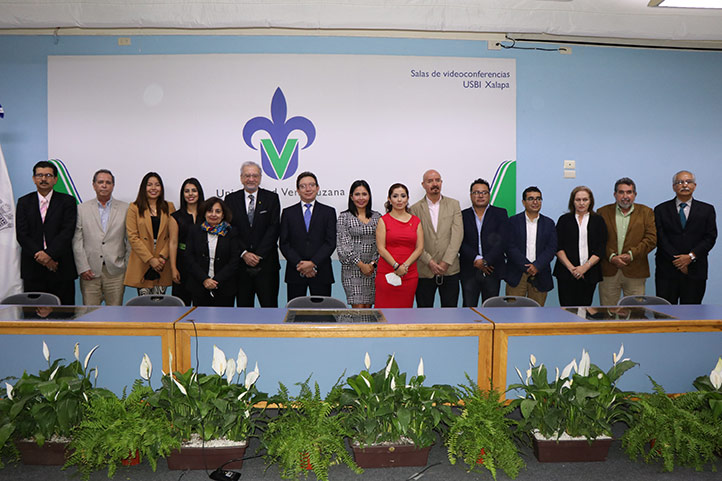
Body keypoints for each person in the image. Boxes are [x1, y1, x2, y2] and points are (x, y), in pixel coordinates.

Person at [16, 160, 77, 305]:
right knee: (33, 316)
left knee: (64, 316)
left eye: (48, 175)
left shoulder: (67, 201)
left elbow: (67, 232)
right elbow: (22, 234)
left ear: (55, 179)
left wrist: (50, 254)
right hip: (33, 268)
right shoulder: (24, 202)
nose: (43, 179)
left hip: (60, 267)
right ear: (33, 178)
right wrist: (42, 257)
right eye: (39, 175)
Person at [654, 170, 717, 304]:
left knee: (692, 313)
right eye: (680, 182)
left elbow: (710, 237)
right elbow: (660, 237)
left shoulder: (707, 209)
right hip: (667, 271)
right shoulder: (660, 209)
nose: (684, 185)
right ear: (673, 187)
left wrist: (690, 257)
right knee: (665, 313)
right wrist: (678, 260)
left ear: (695, 186)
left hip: (695, 270)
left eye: (688, 182)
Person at [225, 161, 281, 307]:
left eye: (255, 175)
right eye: (247, 175)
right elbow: (230, 230)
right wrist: (244, 253)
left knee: (270, 310)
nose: (251, 179)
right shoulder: (231, 200)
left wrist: (258, 255)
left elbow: (273, 229)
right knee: (243, 311)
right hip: (241, 266)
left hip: (267, 265)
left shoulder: (272, 198)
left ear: (260, 177)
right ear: (241, 178)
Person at [72, 169, 130, 306]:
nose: (104, 185)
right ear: (94, 185)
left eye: (108, 182)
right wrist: (83, 267)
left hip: (116, 272)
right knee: (90, 316)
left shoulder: (125, 208)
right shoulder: (81, 209)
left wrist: (126, 266)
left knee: (115, 316)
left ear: (113, 185)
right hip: (89, 272)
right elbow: (77, 241)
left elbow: (129, 241)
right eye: (100, 182)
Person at [597, 177, 656, 306]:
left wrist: (631, 255)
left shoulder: (646, 212)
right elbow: (597, 240)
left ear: (635, 194)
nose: (625, 196)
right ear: (615, 194)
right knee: (608, 312)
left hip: (636, 270)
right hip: (609, 270)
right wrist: (612, 256)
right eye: (621, 192)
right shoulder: (602, 212)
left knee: (636, 313)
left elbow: (651, 239)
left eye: (629, 192)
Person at [409, 169, 463, 307]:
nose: (434, 184)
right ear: (423, 185)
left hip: (450, 270)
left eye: (437, 180)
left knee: (450, 314)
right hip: (425, 270)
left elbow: (457, 235)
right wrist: (430, 262)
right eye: (430, 181)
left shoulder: (453, 205)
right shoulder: (414, 209)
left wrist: (446, 262)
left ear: (441, 183)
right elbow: (414, 240)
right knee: (424, 315)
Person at [279, 171, 337, 301]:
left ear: (317, 188)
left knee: (323, 316)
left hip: (321, 272)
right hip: (295, 272)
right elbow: (284, 243)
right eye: (303, 186)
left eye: (311, 185)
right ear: (298, 190)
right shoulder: (288, 213)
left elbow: (330, 242)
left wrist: (313, 263)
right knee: (295, 315)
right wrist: (301, 265)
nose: (308, 189)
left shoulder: (328, 212)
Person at [553, 186, 608, 306]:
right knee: (566, 309)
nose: (581, 203)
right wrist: (572, 268)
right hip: (566, 273)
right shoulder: (564, 220)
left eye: (585, 199)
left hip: (590, 273)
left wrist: (584, 267)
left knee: (584, 308)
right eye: (578, 200)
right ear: (572, 201)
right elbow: (558, 246)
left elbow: (601, 247)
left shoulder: (598, 220)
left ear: (590, 201)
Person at [124, 172, 176, 296]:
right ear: (144, 187)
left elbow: (172, 235)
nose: (153, 188)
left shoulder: (169, 206)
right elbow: (132, 236)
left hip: (162, 262)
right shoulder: (134, 207)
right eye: (149, 185)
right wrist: (150, 259)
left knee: (160, 303)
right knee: (144, 306)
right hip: (143, 260)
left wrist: (162, 257)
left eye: (157, 185)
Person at [504, 186, 557, 306]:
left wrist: (537, 266)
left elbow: (551, 248)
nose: (535, 202)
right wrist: (527, 266)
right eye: (531, 199)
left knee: (537, 314)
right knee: (513, 313)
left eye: (538, 199)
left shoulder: (549, 223)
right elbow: (509, 246)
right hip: (517, 273)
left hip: (540, 273)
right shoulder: (512, 221)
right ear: (523, 202)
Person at [459, 178, 508, 306]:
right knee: (468, 309)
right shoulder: (462, 215)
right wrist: (477, 259)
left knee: (491, 309)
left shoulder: (500, 213)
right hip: (469, 269)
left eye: (484, 192)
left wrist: (486, 261)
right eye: (476, 192)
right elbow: (460, 241)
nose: (480, 195)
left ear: (489, 195)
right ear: (471, 195)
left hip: (492, 269)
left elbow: (502, 241)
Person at [375, 183, 424, 308]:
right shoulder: (383, 220)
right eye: (395, 196)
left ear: (407, 199)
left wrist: (405, 266)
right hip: (387, 273)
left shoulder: (416, 221)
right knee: (384, 313)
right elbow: (381, 248)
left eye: (403, 196)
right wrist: (396, 266)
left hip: (409, 274)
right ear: (389, 199)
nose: (399, 199)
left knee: (405, 313)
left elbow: (419, 248)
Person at [185, 197, 240, 306]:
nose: (213, 214)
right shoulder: (194, 231)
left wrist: (216, 280)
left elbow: (234, 260)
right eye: (210, 211)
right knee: (200, 321)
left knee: (223, 321)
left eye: (218, 211)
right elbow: (189, 257)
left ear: (223, 215)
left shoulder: (231, 232)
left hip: (225, 286)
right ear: (204, 213)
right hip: (199, 285)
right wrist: (205, 279)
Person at [336, 180, 382, 308]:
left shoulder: (378, 217)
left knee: (368, 309)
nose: (361, 198)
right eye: (357, 194)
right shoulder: (344, 217)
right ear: (351, 197)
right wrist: (361, 265)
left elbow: (381, 245)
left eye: (364, 194)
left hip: (373, 271)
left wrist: (372, 264)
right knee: (359, 309)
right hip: (352, 270)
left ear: (369, 196)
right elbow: (343, 246)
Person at [169, 178, 204, 307]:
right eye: (187, 191)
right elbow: (173, 243)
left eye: (194, 191)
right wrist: (173, 268)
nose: (190, 194)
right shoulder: (175, 217)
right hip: (182, 264)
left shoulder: (207, 215)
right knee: (181, 304)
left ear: (199, 193)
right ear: (182, 194)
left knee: (202, 304)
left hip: (202, 265)